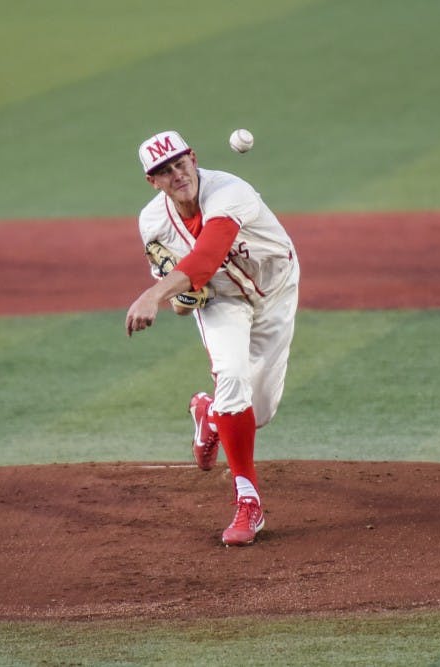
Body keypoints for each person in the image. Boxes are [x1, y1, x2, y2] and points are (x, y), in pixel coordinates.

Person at [125, 130, 299, 546]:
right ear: (153, 181)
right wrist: (179, 298)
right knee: (234, 377)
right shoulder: (152, 222)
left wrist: (154, 295)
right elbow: (184, 294)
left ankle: (209, 412)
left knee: (259, 413)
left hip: (273, 290)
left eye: (180, 163)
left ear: (193, 158)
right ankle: (248, 503)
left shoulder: (230, 191)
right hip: (221, 301)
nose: (176, 175)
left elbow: (205, 257)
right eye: (163, 172)